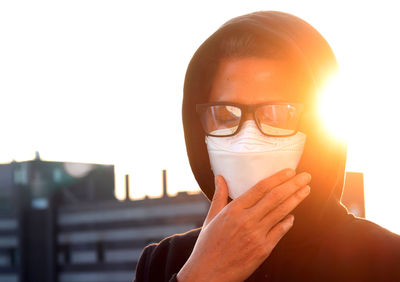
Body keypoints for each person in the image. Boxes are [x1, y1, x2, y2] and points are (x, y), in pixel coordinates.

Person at [134, 11, 400, 282]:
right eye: (226, 114)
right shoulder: (163, 263)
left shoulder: (387, 260)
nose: (249, 139)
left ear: (317, 127)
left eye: (278, 113)